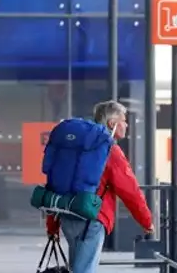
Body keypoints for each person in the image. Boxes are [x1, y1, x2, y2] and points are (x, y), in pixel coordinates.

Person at [46, 101, 154, 273]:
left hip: (67, 216)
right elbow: (130, 190)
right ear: (112, 123)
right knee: (84, 270)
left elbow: (55, 184)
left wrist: (52, 225)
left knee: (77, 268)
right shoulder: (109, 149)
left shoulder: (76, 148)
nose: (126, 125)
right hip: (92, 219)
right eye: (124, 120)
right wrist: (146, 220)